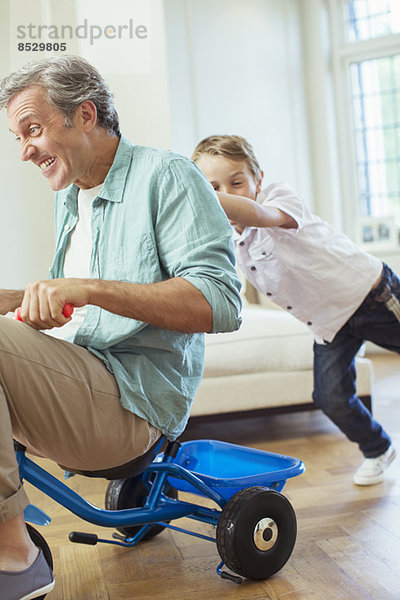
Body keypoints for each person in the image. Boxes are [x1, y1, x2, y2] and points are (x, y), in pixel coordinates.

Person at [0, 58, 241, 600]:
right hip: (82, 378)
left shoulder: (167, 175)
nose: (23, 151)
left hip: (131, 406)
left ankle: (16, 557)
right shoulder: (72, 195)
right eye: (17, 138)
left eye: (32, 130)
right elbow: (78, 308)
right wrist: (17, 300)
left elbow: (220, 301)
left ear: (83, 115)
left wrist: (86, 287)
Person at [192, 134, 398, 487]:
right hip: (329, 324)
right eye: (212, 187)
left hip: (369, 294)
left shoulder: (278, 197)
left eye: (236, 182)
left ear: (258, 178)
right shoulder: (231, 240)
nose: (225, 193)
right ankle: (378, 448)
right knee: (330, 397)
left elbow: (260, 215)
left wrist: (207, 199)